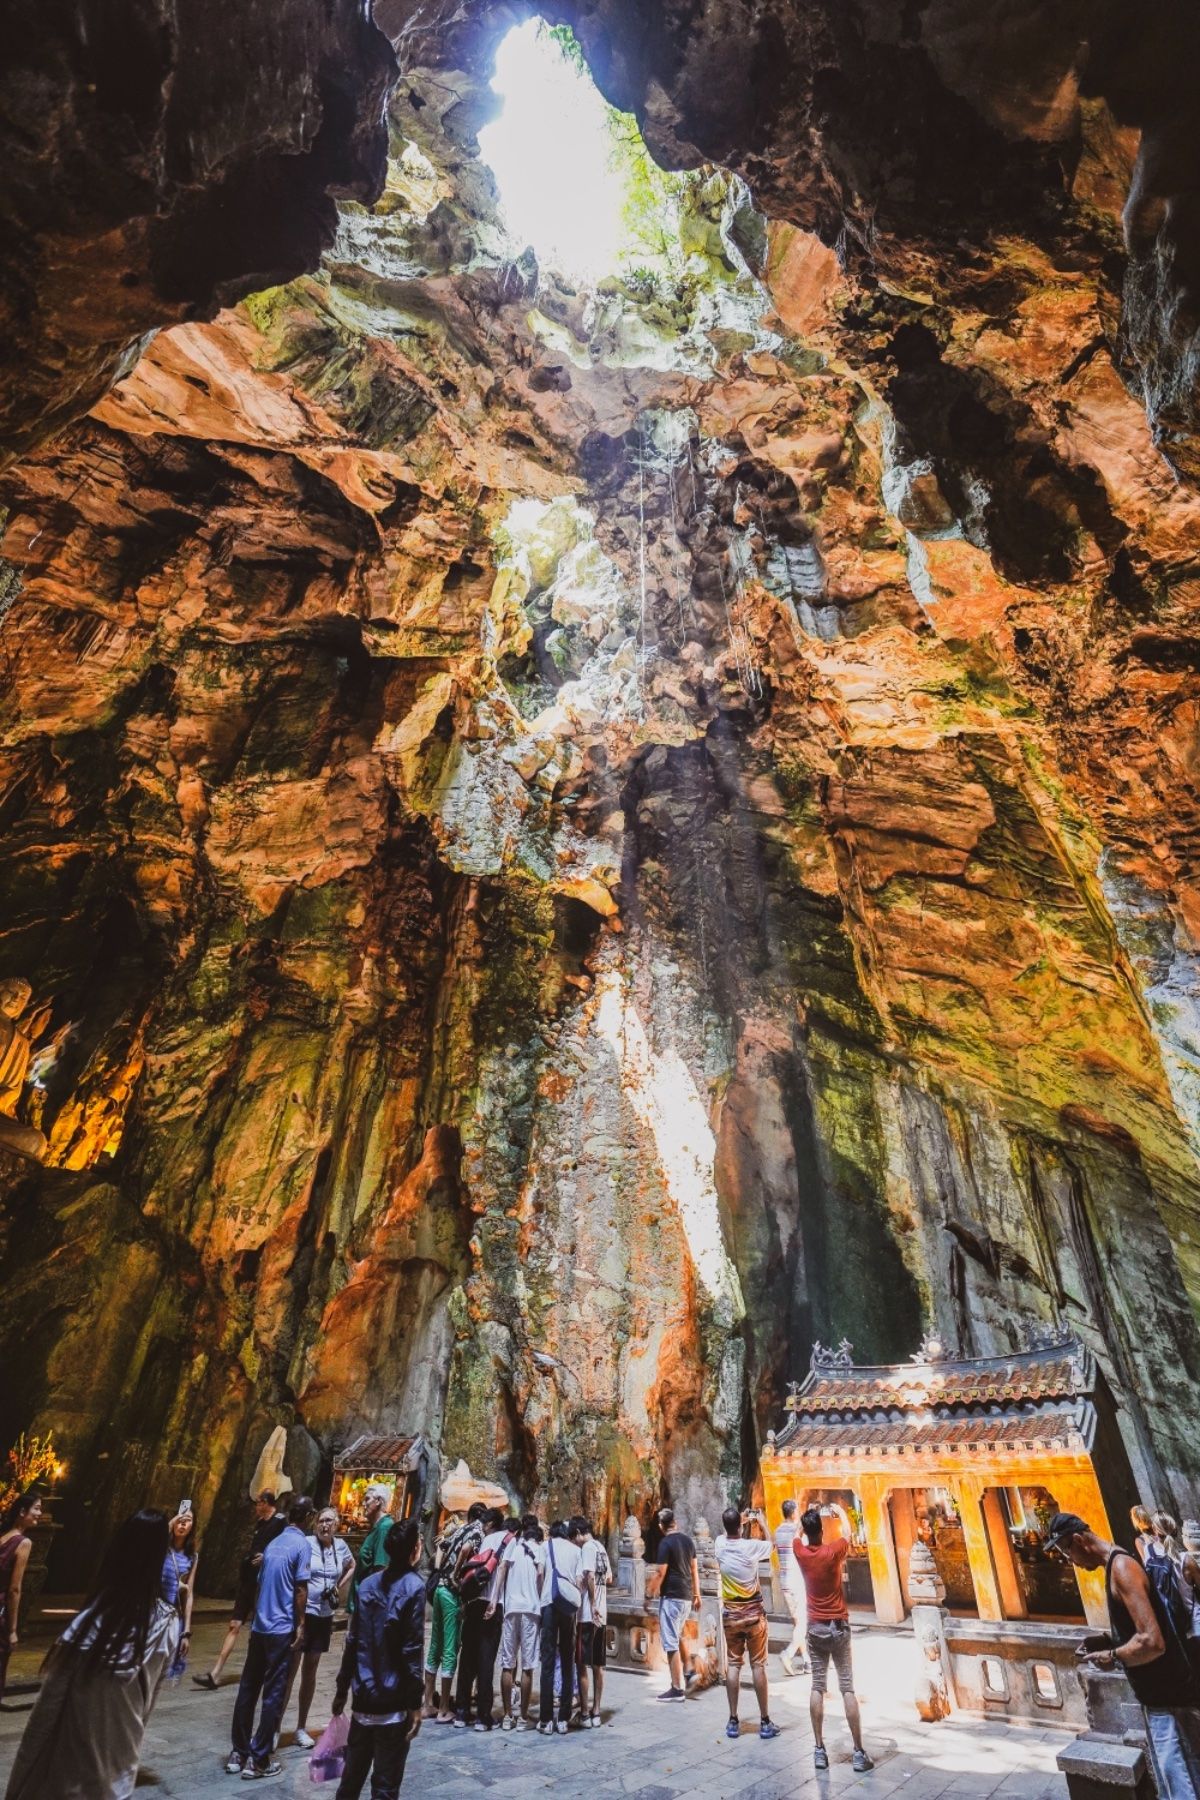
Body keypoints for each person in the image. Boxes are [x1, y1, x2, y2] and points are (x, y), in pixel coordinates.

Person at [4, 1508, 179, 1800]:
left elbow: (44, 1719)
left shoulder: (87, 1626)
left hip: (69, 1778)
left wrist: (16, 1788)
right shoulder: (168, 1624)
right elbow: (145, 1709)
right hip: (117, 1775)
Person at [1047, 1511, 1200, 1798]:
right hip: (1160, 1699)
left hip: (1170, 1701)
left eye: (1067, 1551)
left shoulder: (1122, 1568)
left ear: (1079, 1540)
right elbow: (1144, 1626)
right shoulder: (1116, 1565)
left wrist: (1113, 1656)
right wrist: (1106, 1640)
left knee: (1181, 1787)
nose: (1070, 1560)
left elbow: (1153, 1641)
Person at [332, 1519, 425, 1799]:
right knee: (385, 1787)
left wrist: (341, 1689)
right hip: (393, 1703)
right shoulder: (414, 1587)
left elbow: (353, 1640)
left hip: (363, 1699)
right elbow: (411, 1651)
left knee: (350, 1783)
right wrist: (414, 1703)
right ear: (414, 1550)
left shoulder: (369, 1584)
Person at [227, 1493, 313, 1780]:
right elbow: (300, 1589)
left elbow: (261, 1582)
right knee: (273, 1693)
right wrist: (300, 1624)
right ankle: (259, 1759)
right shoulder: (301, 1544)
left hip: (261, 1627)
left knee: (248, 1689)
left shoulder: (273, 1543)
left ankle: (238, 1752)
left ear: (289, 1515)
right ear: (309, 1517)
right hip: (280, 1629)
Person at [795, 1504, 873, 1773]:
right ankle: (859, 1752)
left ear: (806, 1531)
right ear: (822, 1530)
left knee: (817, 1686)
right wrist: (839, 1511)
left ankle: (819, 1749)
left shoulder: (801, 1553)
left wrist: (803, 1519)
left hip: (815, 1628)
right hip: (839, 1627)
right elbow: (849, 1534)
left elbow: (795, 1533)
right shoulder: (833, 1552)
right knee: (847, 1688)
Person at [194, 1489, 285, 1690]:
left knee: (259, 1628)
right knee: (234, 1624)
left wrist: (267, 1558)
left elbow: (283, 1550)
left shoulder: (279, 1522)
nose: (255, 1507)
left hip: (263, 1583)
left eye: (258, 1502)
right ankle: (215, 1673)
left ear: (266, 1503)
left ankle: (262, 1670)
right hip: (248, 1580)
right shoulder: (260, 1524)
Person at [286, 1504, 354, 1748]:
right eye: (321, 1521)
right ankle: (274, 1727)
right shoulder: (306, 1544)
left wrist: (338, 1586)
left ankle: (301, 1727)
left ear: (336, 1525)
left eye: (330, 1521)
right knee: (290, 1670)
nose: (325, 1525)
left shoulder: (340, 1547)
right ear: (315, 1523)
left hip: (324, 1615)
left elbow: (352, 1565)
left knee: (310, 1671)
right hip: (304, 1614)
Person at [713, 1506, 780, 1741]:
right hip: (753, 1614)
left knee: (733, 1665)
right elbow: (771, 1545)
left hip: (731, 1614)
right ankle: (764, 1721)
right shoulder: (751, 1546)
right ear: (741, 1526)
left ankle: (733, 1720)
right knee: (758, 1666)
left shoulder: (719, 1544)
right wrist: (761, 1521)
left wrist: (739, 1521)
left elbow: (729, 1531)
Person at [422, 1503, 485, 1723]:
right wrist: (457, 1574)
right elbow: (468, 1548)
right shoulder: (478, 1531)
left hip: (439, 1589)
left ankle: (428, 1703)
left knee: (435, 1645)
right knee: (450, 1646)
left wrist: (440, 1570)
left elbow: (441, 1544)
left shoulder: (459, 1528)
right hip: (450, 1592)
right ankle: (444, 1709)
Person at [489, 1514, 545, 1731]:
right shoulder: (539, 1549)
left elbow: (502, 1568)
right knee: (528, 1665)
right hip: (531, 1611)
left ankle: (506, 1716)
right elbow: (540, 1573)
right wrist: (539, 1597)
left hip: (511, 1609)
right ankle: (522, 1717)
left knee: (507, 1663)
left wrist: (495, 1599)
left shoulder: (513, 1544)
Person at [454, 1506, 508, 1729]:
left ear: (488, 1524)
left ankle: (462, 1711)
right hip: (491, 1605)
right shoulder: (506, 1540)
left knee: (467, 1658)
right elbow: (503, 1569)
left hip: (473, 1603)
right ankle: (483, 1716)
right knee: (486, 1659)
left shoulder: (483, 1541)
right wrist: (495, 1601)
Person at [646, 1506, 699, 1702]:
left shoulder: (665, 1543)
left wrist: (649, 1594)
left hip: (672, 1597)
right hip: (686, 1597)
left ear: (661, 1526)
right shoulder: (688, 1541)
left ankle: (676, 1689)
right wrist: (697, 1594)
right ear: (675, 1522)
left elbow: (660, 1573)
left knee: (670, 1643)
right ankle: (689, 1670)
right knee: (677, 1635)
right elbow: (694, 1570)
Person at [538, 1519, 583, 1734]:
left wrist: (540, 1595)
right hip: (568, 1607)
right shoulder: (575, 1550)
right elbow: (580, 1580)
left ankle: (546, 1720)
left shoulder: (545, 1547)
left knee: (547, 1661)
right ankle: (564, 1718)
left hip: (548, 1603)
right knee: (567, 1659)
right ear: (567, 1533)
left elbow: (539, 1574)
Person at [0, 1489, 41, 1707]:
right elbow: (14, 1589)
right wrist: (13, 1630)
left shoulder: (2, 1537)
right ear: (22, 1511)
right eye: (36, 1508)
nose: (40, 1513)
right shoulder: (22, 1542)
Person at [572, 1515, 612, 1727]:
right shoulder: (601, 1548)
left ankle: (585, 1713)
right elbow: (609, 1578)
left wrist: (593, 1603)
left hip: (588, 1615)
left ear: (579, 1533)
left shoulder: (587, 1547)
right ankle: (597, 1712)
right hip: (602, 1614)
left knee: (582, 1664)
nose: (574, 1541)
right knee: (598, 1664)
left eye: (574, 1537)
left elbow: (588, 1576)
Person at [161, 1508, 198, 1682]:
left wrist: (186, 1632)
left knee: (161, 1670)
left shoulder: (192, 1557)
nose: (182, 1523)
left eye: (188, 1520)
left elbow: (189, 1595)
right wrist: (173, 1520)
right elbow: (156, 1537)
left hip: (172, 1616)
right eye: (179, 1519)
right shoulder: (161, 1547)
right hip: (153, 1612)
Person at [774, 1498, 809, 1677]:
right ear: (794, 1512)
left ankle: (807, 1661)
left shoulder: (778, 1531)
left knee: (798, 1621)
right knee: (803, 1621)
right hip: (796, 1579)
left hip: (784, 1581)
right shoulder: (798, 1531)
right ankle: (788, 1654)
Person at [350, 1486, 393, 1613]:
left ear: (378, 1501)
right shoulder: (376, 1527)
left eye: (367, 1499)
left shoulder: (384, 1527)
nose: (363, 1504)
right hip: (362, 1601)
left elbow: (381, 1569)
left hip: (368, 1605)